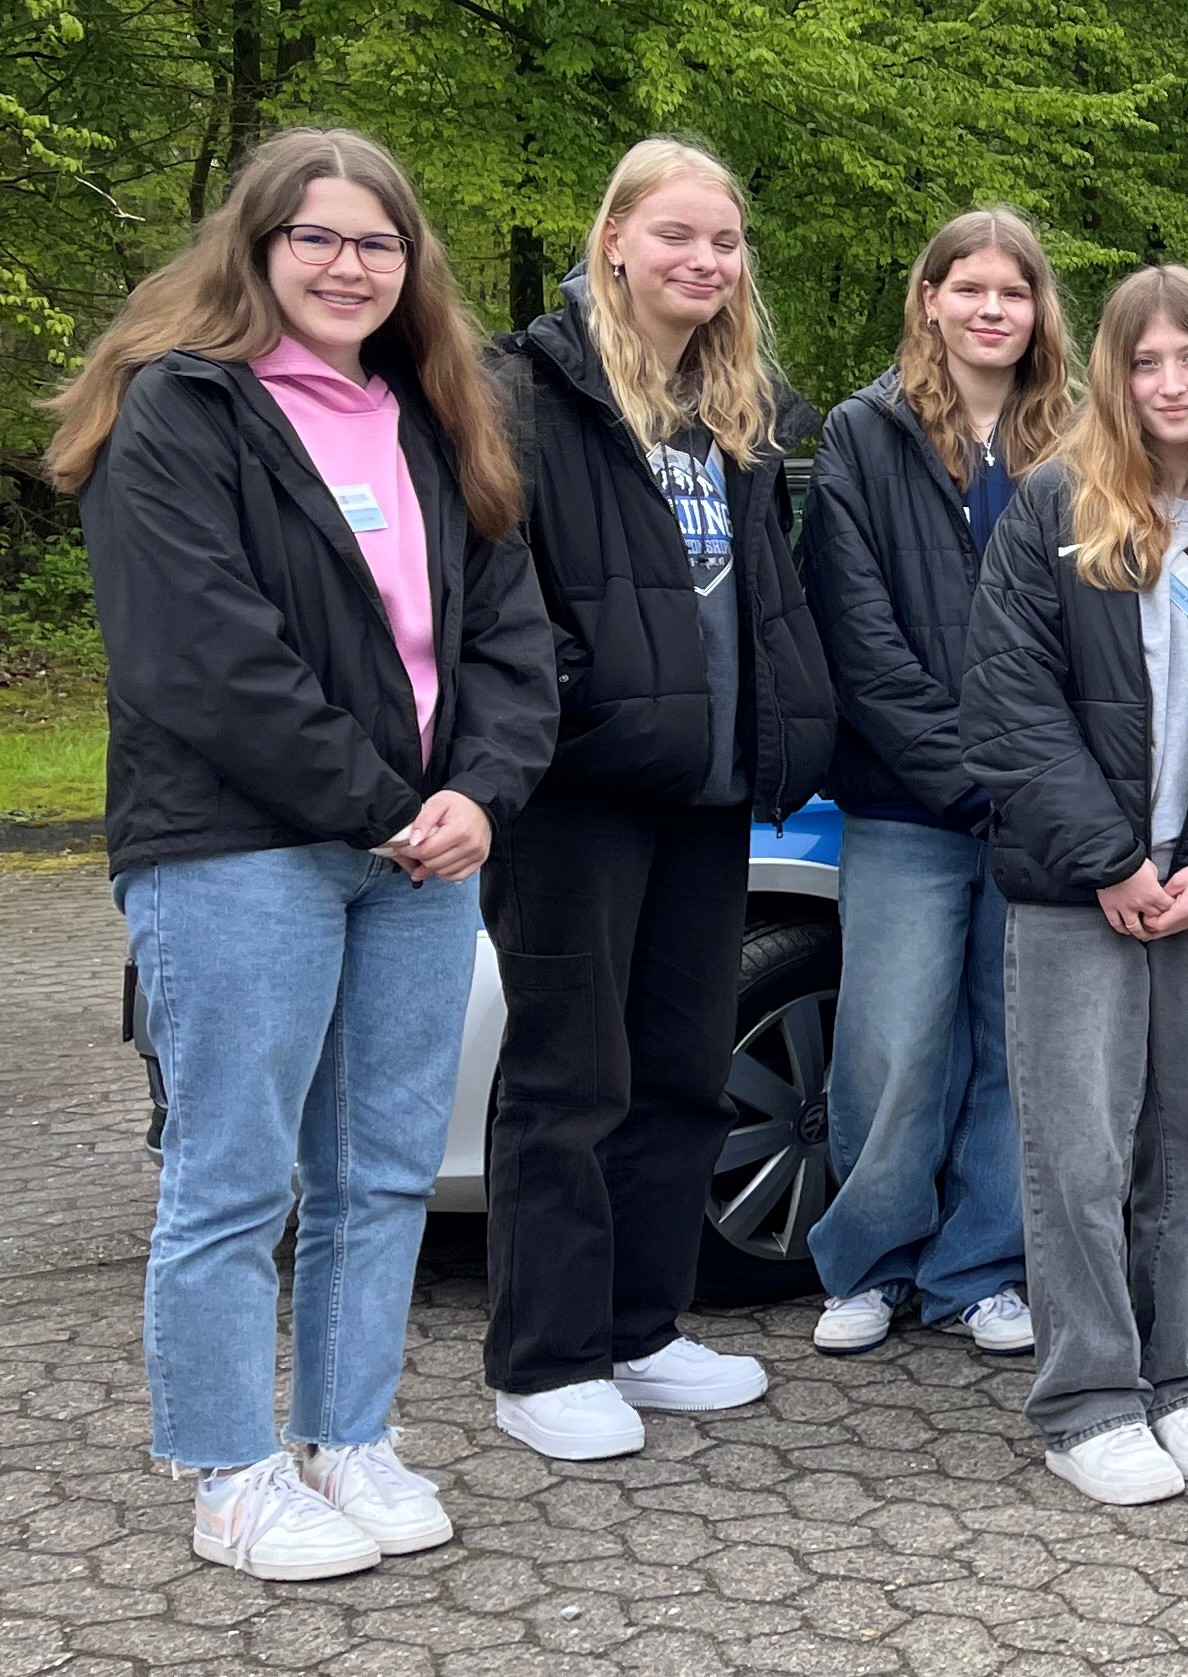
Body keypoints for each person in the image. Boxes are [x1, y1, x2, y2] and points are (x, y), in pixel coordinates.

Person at [53, 128, 556, 1578]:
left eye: (378, 244)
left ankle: (352, 1436)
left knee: (384, 1165)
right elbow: (203, 658)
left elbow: (514, 641)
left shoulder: (436, 417)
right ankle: (228, 1471)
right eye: (317, 239)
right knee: (237, 1175)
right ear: (256, 250)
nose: (349, 267)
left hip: (421, 851)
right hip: (239, 847)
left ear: (413, 268)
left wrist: (480, 792)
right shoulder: (182, 412)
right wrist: (382, 799)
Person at [479, 139, 835, 1463]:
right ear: (613, 239)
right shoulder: (528, 393)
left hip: (708, 789)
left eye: (725, 242)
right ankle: (544, 1360)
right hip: (578, 790)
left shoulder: (736, 413)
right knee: (569, 1076)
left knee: (682, 1068)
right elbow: (497, 590)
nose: (704, 260)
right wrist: (581, 710)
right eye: (678, 235)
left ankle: (639, 1328)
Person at [964, 267, 1188, 1507]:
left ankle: (1179, 1378)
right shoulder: (1051, 512)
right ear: (1112, 378)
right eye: (1145, 363)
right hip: (1081, 890)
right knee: (1078, 1147)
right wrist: (1113, 861)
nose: (1171, 385)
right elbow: (1012, 708)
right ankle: (1088, 1397)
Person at [800, 209, 1077, 1366]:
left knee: (1019, 1049)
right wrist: (972, 778)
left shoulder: (1074, 438)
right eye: (969, 288)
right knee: (893, 1042)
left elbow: (1104, 624)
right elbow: (858, 636)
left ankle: (982, 1269)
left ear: (1038, 311)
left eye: (1014, 292)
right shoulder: (863, 435)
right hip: (909, 802)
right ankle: (871, 1260)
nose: (991, 310)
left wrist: (1040, 779)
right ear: (929, 299)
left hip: (1049, 808)